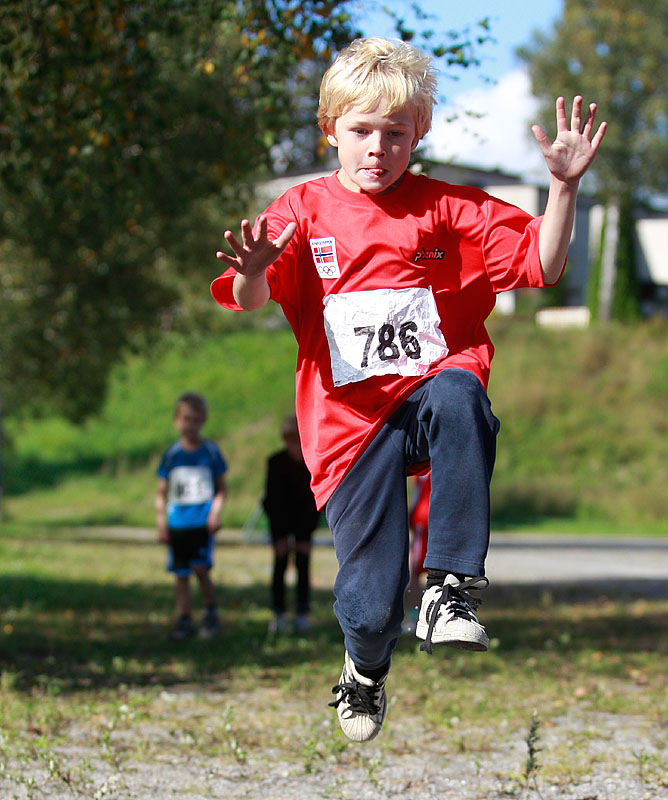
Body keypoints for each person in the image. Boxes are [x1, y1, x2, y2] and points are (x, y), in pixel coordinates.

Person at [211, 37, 606, 742]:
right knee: (370, 607)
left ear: (418, 133)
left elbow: (543, 265)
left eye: (395, 133)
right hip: (349, 427)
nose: (378, 148)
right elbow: (248, 298)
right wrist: (253, 270)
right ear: (330, 129)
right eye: (362, 130)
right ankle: (364, 669)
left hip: (427, 394)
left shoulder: (448, 209)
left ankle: (450, 587)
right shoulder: (301, 209)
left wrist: (563, 187)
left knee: (460, 393)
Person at [156, 392, 227, 641]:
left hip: (201, 522)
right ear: (177, 420)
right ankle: (184, 618)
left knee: (201, 568)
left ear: (203, 421)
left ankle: (210, 612)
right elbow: (162, 492)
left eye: (196, 420)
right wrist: (161, 522)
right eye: (186, 419)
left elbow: (221, 489)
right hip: (178, 523)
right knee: (181, 573)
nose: (191, 425)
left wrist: (214, 514)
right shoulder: (172, 455)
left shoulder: (210, 453)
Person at [263, 413, 320, 634]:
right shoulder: (275, 462)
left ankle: (302, 612)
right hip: (281, 522)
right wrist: (279, 534)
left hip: (304, 521)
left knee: (303, 564)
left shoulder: (312, 463)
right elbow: (271, 500)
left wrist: (306, 533)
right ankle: (278, 612)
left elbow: (314, 501)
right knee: (280, 563)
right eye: (290, 439)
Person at [403, 472, 431, 634]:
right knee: (418, 570)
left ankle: (417, 618)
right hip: (427, 517)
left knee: (416, 572)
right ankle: (416, 616)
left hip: (426, 515)